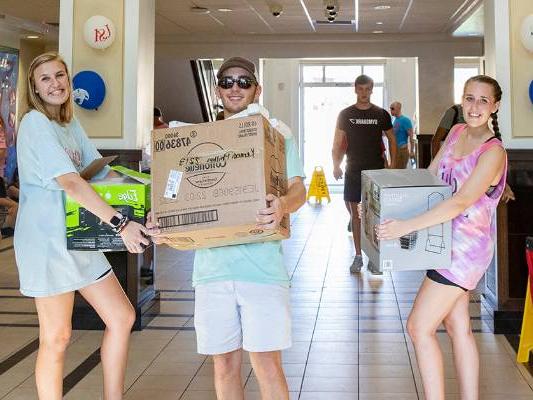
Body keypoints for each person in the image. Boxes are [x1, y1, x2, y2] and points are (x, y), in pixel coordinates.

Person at [152, 56, 306, 400]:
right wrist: (162, 222)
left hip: (262, 270)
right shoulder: (198, 141)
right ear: (216, 90)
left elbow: (299, 189)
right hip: (212, 272)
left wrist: (282, 204)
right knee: (223, 365)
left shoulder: (277, 135)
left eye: (243, 82)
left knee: (267, 364)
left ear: (257, 89)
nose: (235, 88)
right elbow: (175, 195)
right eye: (227, 82)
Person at [15, 52, 152, 399]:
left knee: (121, 317)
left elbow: (101, 172)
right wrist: (122, 224)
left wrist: (148, 199)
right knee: (57, 337)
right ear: (34, 87)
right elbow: (73, 183)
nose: (55, 83)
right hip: (47, 244)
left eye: (60, 75)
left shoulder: (69, 125)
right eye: (45, 78)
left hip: (77, 238)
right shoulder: (34, 124)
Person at [375, 75, 508, 399]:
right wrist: (384, 201)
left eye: (482, 100)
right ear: (461, 100)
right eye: (469, 98)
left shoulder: (493, 152)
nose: (474, 106)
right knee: (457, 327)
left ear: (495, 106)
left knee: (419, 327)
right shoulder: (458, 132)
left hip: (464, 253)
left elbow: (461, 201)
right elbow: (431, 178)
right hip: (441, 243)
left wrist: (407, 226)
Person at [332, 74, 396, 273]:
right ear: (355, 89)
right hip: (353, 170)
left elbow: (392, 140)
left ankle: (374, 258)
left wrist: (392, 166)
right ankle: (358, 256)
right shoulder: (345, 114)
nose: (364, 93)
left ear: (372, 89)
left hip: (376, 171)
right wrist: (336, 165)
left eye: (367, 89)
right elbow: (337, 143)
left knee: (376, 215)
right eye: (360, 89)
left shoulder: (382, 114)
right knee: (356, 216)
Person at [390, 101, 415, 168]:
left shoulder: (405, 120)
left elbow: (411, 137)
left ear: (398, 108)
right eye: (390, 108)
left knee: (399, 173)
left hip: (402, 150)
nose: (391, 110)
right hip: (395, 150)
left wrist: (412, 151)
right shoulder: (394, 120)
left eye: (392, 108)